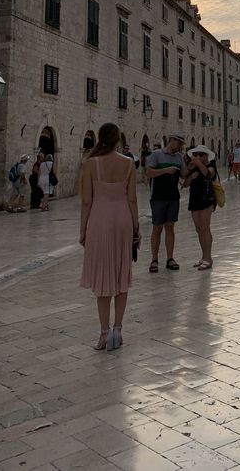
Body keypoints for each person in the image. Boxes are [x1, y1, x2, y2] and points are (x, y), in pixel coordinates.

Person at [80, 122, 140, 351]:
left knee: (104, 278)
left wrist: (82, 230)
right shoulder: (128, 163)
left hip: (100, 220)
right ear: (118, 140)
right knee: (121, 275)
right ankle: (118, 330)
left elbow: (86, 201)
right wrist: (136, 228)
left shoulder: (90, 164)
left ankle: (104, 333)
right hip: (123, 219)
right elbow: (132, 199)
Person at [145, 132, 187, 273]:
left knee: (170, 227)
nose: (180, 146)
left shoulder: (179, 157)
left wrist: (190, 165)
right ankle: (154, 259)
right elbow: (149, 173)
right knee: (157, 228)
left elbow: (183, 175)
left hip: (173, 197)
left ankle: (170, 258)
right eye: (179, 143)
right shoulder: (156, 155)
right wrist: (166, 170)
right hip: (157, 197)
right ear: (172, 140)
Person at [184, 144, 217, 271]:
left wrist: (198, 163)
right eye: (196, 154)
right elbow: (185, 184)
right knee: (199, 229)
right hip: (194, 199)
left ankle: (209, 258)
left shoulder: (211, 166)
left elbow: (208, 174)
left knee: (205, 228)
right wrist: (190, 173)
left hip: (206, 200)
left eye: (201, 155)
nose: (198, 157)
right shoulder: (194, 167)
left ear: (207, 156)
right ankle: (203, 257)